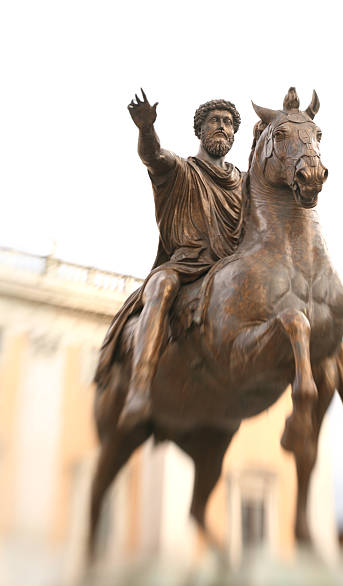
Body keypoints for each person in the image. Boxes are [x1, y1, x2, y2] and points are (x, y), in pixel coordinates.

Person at [94, 89, 244, 430]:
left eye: (227, 123)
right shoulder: (178, 170)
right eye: (214, 122)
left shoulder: (244, 184)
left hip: (230, 271)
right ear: (200, 131)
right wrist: (146, 129)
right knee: (161, 284)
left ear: (234, 134)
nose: (221, 127)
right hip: (187, 265)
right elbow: (153, 156)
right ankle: (140, 387)